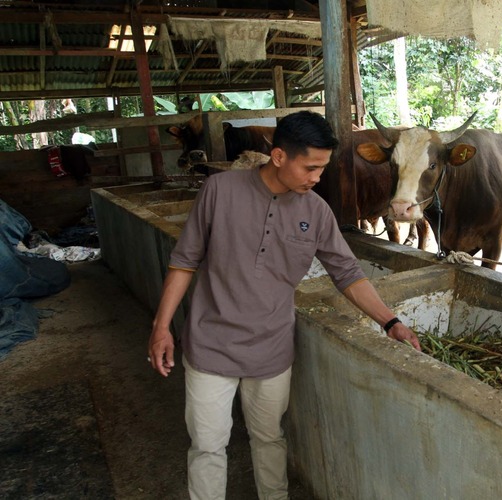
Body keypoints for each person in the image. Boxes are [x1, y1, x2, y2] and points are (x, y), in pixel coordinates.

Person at [148, 110, 421, 500]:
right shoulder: (219, 191)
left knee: (269, 439)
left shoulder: (316, 212)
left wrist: (391, 321)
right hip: (209, 345)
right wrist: (161, 328)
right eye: (310, 167)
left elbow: (347, 274)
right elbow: (184, 261)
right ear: (279, 157)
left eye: (322, 168)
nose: (317, 177)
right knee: (207, 446)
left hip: (272, 350)